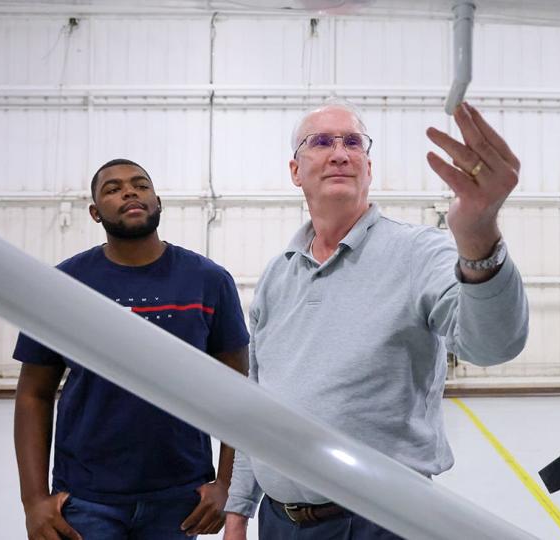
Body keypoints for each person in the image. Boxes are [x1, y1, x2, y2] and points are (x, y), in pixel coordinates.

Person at [221, 100, 529, 539]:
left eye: (352, 142)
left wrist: (479, 235)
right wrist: (238, 512)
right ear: (295, 171)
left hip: (380, 523)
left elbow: (493, 345)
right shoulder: (278, 274)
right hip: (280, 522)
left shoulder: (418, 252)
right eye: (321, 142)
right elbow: (259, 399)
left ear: (368, 166)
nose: (340, 153)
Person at [13, 158, 250, 540]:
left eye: (140, 185)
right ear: (94, 212)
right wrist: (33, 501)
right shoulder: (61, 286)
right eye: (113, 188)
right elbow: (33, 394)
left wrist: (227, 484)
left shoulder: (207, 281)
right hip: (86, 499)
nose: (129, 191)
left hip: (180, 498)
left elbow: (239, 389)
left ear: (158, 202)